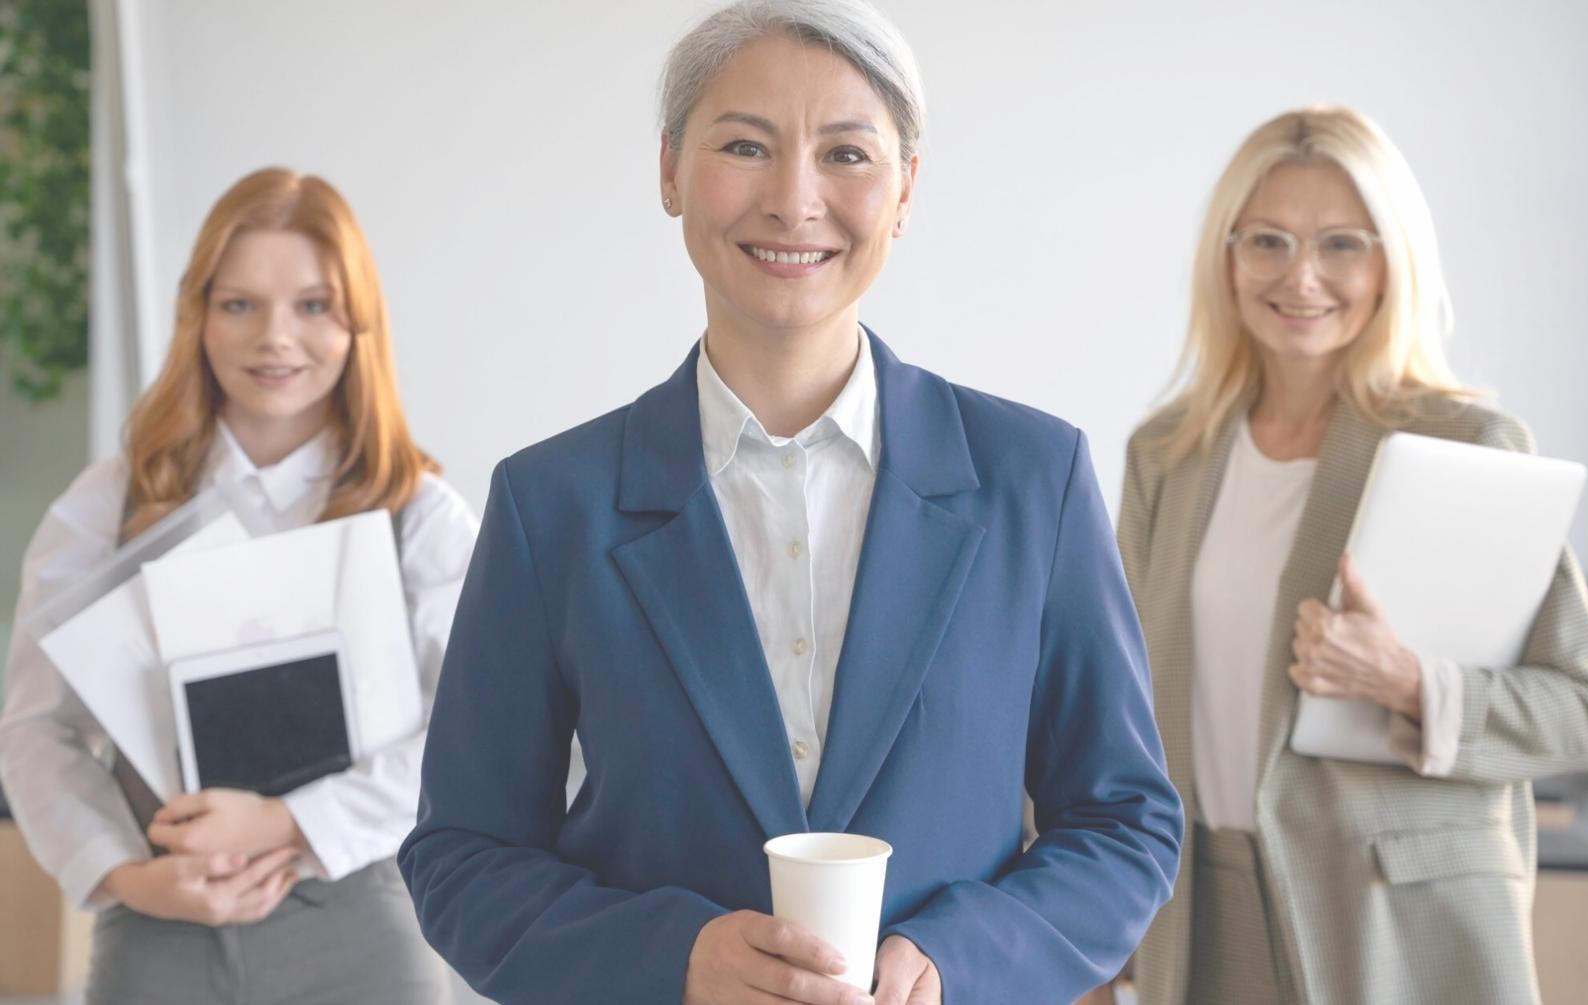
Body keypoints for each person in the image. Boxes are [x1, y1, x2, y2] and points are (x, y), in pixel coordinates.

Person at [399, 2, 1182, 1003]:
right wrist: (672, 961)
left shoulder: (1033, 479)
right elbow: (462, 854)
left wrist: (960, 959)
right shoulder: (550, 505)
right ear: (669, 171)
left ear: (904, 191)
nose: (794, 199)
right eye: (743, 146)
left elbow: (1125, 822)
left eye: (847, 154)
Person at [1114, 106, 1588, 1005]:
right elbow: (1113, 703)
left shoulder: (1471, 444)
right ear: (1227, 257)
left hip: (1397, 930)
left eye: (1342, 243)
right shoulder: (1168, 454)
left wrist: (1415, 683)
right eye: (1268, 240)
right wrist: (1095, 939)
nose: (1301, 276)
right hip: (1203, 917)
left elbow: (1587, 707)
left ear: (1392, 262)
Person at [0, 167, 479, 1004]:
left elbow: (472, 736)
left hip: (359, 926)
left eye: (313, 306)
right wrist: (119, 872)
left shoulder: (419, 515)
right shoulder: (110, 502)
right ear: (198, 315)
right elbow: (37, 729)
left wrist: (289, 823)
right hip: (157, 921)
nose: (276, 338)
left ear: (357, 321)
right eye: (239, 304)